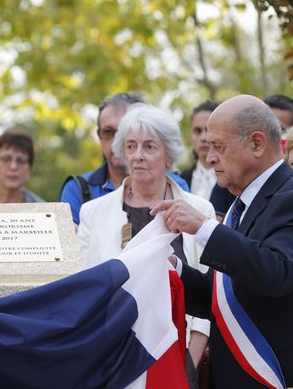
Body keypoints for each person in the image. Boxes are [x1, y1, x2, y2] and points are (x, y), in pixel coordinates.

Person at [152, 94, 293, 388]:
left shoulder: (288, 195)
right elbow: (220, 299)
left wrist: (205, 229)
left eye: (218, 146)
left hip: (271, 376)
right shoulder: (241, 204)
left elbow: (277, 273)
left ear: (256, 143)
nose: (209, 157)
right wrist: (173, 268)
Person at [78, 104, 214, 388]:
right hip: (115, 356)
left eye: (149, 146)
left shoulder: (200, 209)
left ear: (169, 156)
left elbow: (211, 291)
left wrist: (190, 360)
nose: (138, 156)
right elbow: (87, 291)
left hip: (181, 350)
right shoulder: (93, 212)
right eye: (131, 146)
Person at [59, 92, 189, 224]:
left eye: (125, 131)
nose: (117, 141)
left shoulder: (177, 187)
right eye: (108, 132)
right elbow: (68, 242)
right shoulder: (78, 189)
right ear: (99, 136)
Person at [0, 130, 44, 203]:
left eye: (21, 161)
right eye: (6, 160)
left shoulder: (43, 210)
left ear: (29, 169)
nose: (13, 167)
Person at [180, 100, 220, 200]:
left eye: (208, 130)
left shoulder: (234, 180)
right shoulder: (181, 179)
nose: (203, 137)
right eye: (197, 131)